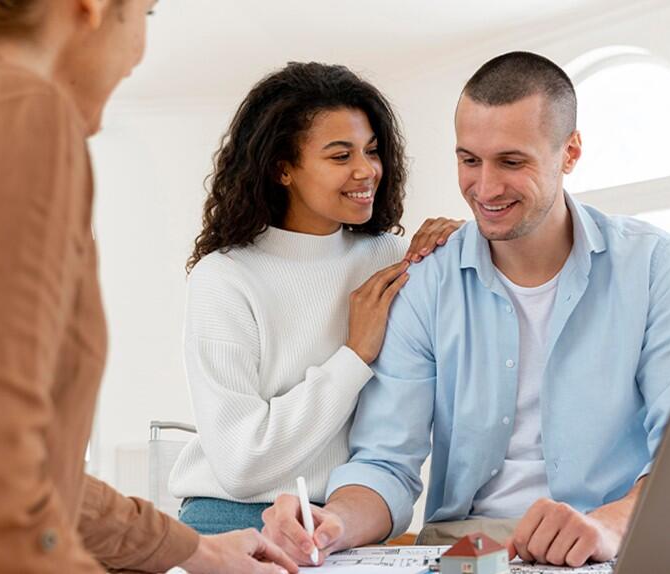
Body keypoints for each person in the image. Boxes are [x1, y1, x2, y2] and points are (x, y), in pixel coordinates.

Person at [0, 1, 297, 572]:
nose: (140, 47)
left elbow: (26, 476)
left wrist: (196, 550)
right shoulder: (8, 112)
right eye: (146, 11)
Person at [261, 51, 670, 568]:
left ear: (569, 152)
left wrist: (608, 526)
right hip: (464, 548)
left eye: (512, 161)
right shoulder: (427, 283)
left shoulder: (657, 269)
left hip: (611, 536)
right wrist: (334, 522)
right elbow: (386, 464)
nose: (484, 189)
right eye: (469, 160)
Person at [169, 61, 462, 535]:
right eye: (340, 156)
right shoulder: (225, 278)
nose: (366, 170)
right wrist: (354, 355)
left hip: (351, 518)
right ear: (283, 169)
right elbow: (241, 466)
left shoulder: (391, 258)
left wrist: (461, 245)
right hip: (233, 520)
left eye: (371, 150)